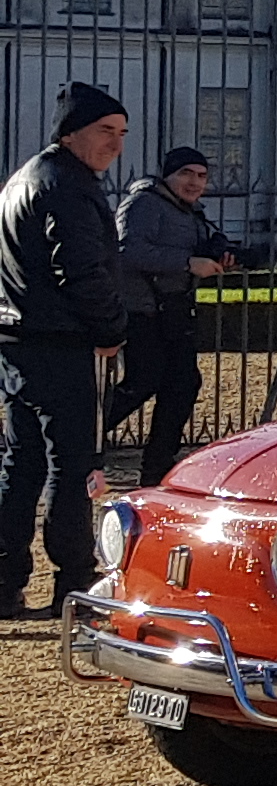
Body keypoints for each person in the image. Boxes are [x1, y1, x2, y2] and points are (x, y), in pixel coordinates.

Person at [0, 84, 131, 616]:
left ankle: (6, 582)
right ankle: (73, 584)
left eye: (122, 133)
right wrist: (111, 328)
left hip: (17, 342)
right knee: (69, 467)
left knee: (21, 464)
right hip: (60, 344)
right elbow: (79, 270)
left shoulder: (22, 180)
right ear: (70, 132)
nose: (116, 144)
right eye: (106, 131)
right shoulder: (67, 187)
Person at [108, 144, 238, 488]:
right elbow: (126, 251)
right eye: (186, 174)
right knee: (142, 382)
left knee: (182, 385)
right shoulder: (144, 204)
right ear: (168, 175)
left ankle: (157, 470)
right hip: (141, 312)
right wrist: (187, 262)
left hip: (174, 311)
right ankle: (74, 439)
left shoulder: (190, 212)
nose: (195, 182)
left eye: (202, 176)